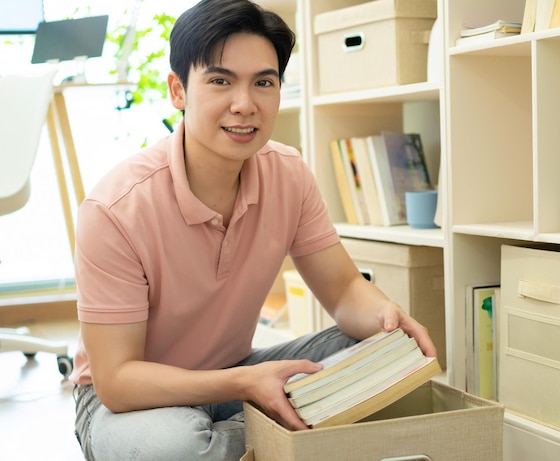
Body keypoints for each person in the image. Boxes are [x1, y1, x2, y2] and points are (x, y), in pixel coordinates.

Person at [69, 1, 437, 460]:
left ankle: (264, 436)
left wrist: (388, 319)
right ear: (178, 90)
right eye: (221, 81)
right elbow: (118, 380)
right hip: (128, 403)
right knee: (176, 446)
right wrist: (246, 384)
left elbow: (343, 290)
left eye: (263, 82)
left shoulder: (289, 173)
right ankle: (299, 434)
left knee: (380, 352)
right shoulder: (114, 209)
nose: (244, 105)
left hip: (237, 372)